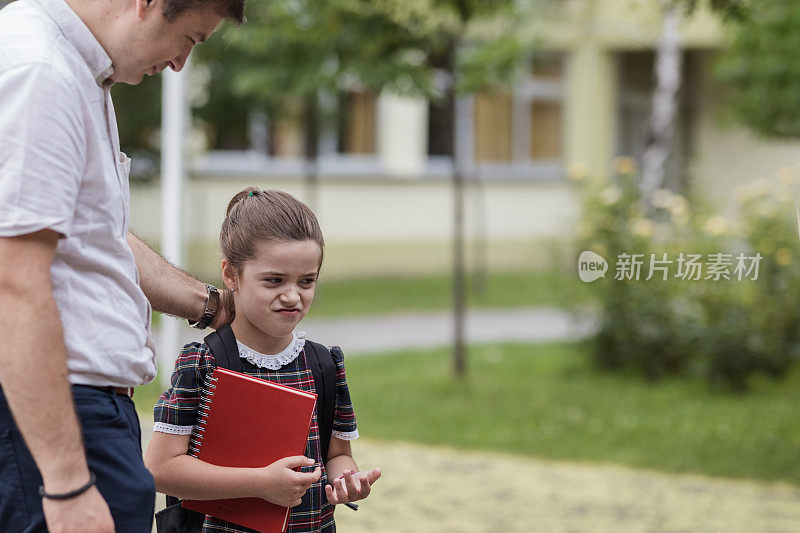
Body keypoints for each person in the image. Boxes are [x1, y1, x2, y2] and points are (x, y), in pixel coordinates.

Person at [0, 0, 245, 531]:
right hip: (61, 423)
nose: (181, 65)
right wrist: (66, 486)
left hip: (85, 417)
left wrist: (214, 306)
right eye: (191, 39)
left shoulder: (78, 71)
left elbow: (97, 239)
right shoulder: (40, 72)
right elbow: (14, 283)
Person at [145, 188, 381, 533]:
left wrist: (345, 478)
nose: (292, 296)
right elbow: (160, 469)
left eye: (307, 281)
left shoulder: (323, 365)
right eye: (274, 280)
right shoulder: (204, 364)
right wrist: (259, 483)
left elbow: (337, 455)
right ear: (231, 274)